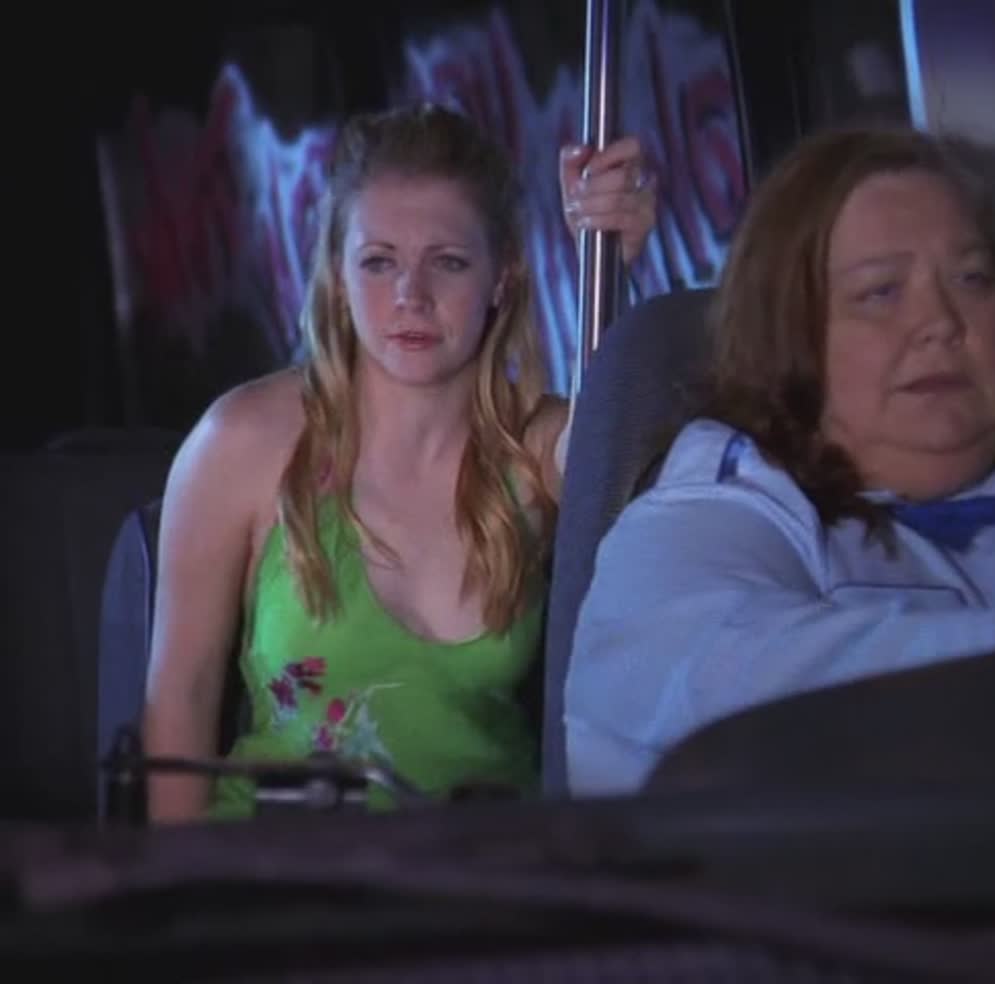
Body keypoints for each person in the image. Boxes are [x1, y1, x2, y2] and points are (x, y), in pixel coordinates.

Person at [563, 125, 995, 796]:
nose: (942, 323)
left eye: (973, 278)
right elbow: (675, 673)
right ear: (789, 334)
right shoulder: (727, 499)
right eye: (881, 291)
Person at [143, 102, 658, 822]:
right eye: (379, 262)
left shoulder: (539, 447)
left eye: (448, 262)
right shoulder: (242, 441)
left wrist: (614, 267)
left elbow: (656, 498)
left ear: (503, 277)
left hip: (485, 868)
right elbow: (182, 694)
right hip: (271, 864)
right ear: (338, 276)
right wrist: (175, 884)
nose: (411, 296)